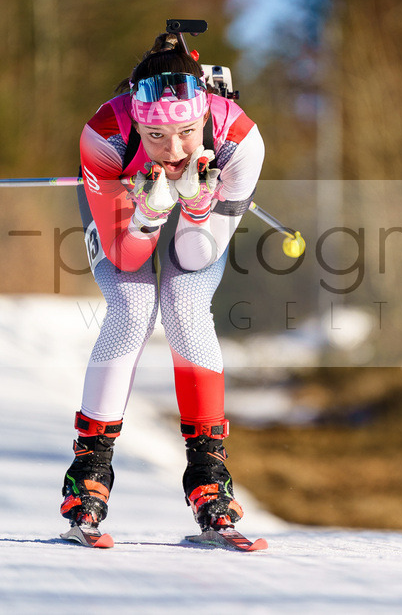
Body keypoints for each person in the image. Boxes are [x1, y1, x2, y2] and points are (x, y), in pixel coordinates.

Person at [61, 33, 264, 533]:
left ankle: (208, 473)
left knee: (185, 300)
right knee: (132, 306)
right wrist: (149, 212)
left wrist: (196, 204)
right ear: (136, 118)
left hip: (204, 206)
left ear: (207, 116)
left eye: (187, 133)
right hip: (124, 201)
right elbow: (127, 254)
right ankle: (89, 468)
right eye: (155, 136)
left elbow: (195, 256)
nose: (173, 150)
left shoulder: (240, 141)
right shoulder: (105, 135)